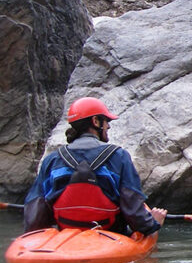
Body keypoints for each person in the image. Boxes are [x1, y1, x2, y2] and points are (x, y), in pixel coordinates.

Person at [23, 97, 166, 235]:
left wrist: (35, 237)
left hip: (66, 232)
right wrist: (152, 224)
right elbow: (132, 206)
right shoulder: (119, 156)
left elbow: (36, 206)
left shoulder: (52, 159)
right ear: (96, 121)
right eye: (106, 121)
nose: (108, 126)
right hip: (111, 232)